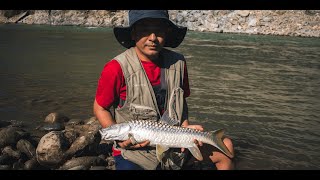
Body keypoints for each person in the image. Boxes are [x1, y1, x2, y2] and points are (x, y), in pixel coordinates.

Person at [93, 10, 234, 170]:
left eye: (158, 31)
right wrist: (120, 140)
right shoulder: (116, 68)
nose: (152, 38)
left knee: (227, 146)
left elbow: (181, 104)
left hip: (173, 141)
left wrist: (185, 129)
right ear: (133, 34)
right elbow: (100, 107)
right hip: (135, 153)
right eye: (145, 30)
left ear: (166, 33)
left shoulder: (178, 63)